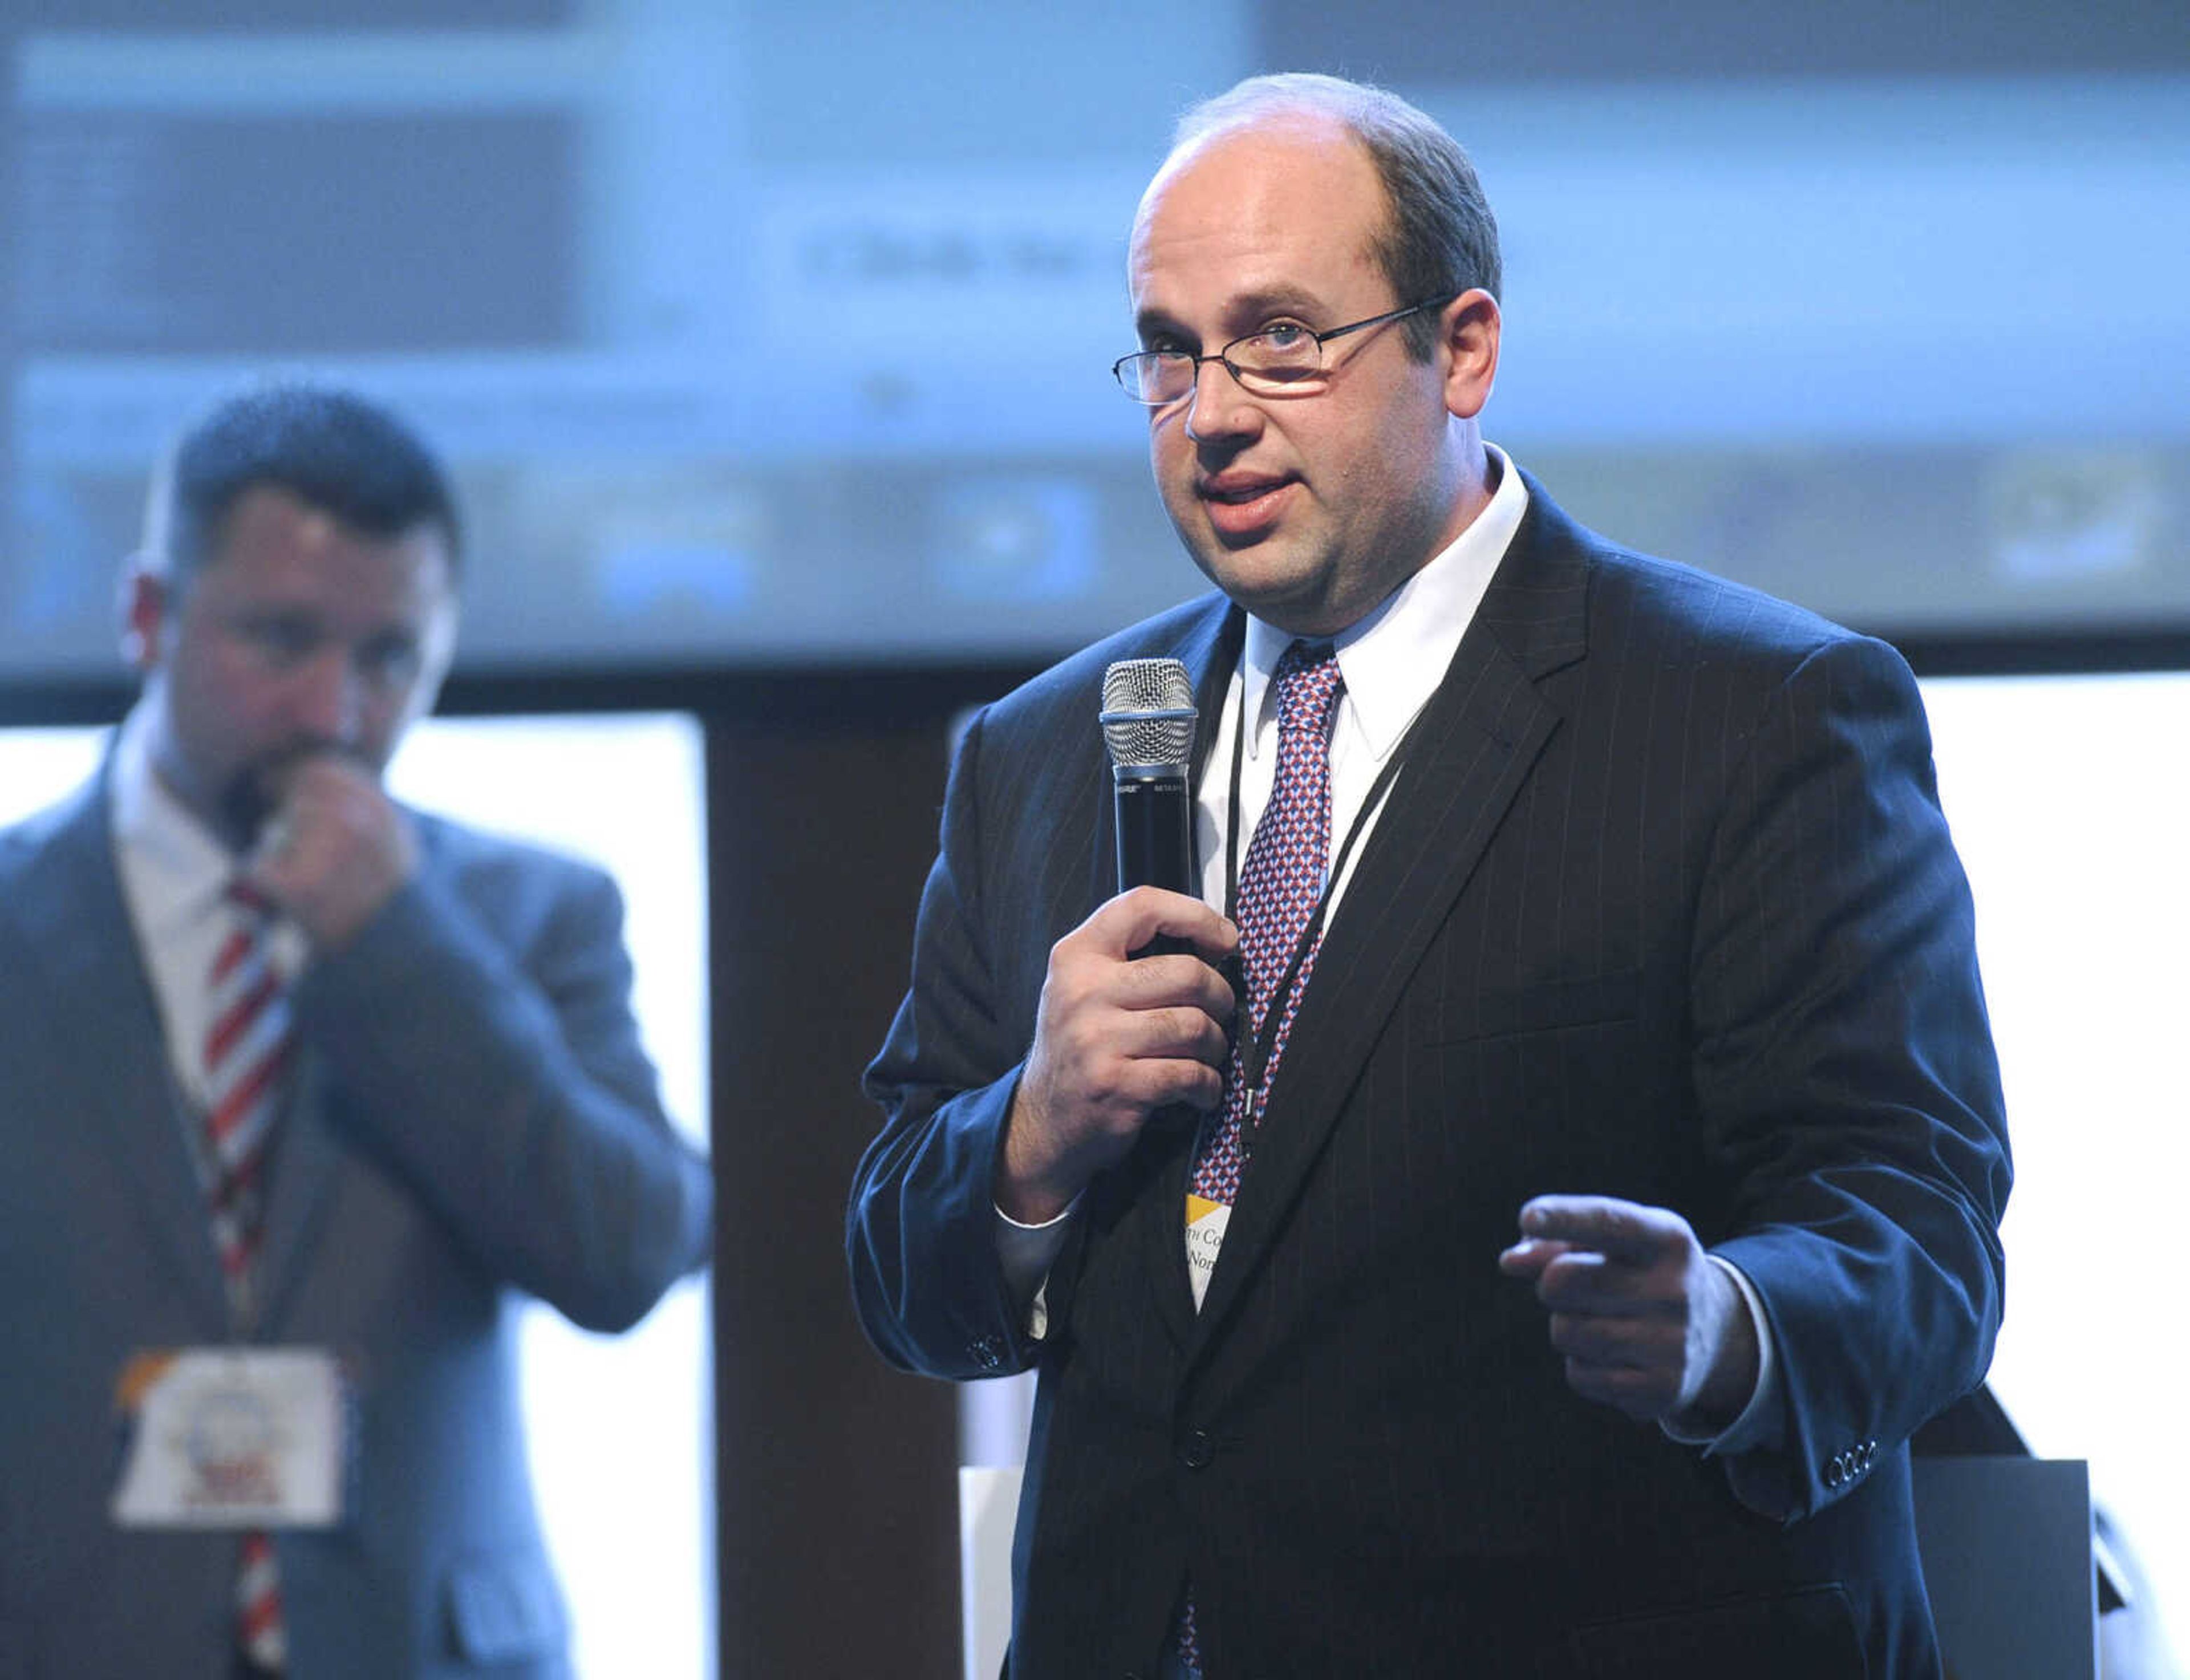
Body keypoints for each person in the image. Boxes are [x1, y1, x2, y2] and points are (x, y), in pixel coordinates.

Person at [846, 72, 2010, 1679]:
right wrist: (1031, 1130)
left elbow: (1917, 1230)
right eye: (1170, 351)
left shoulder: (1756, 714)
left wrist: (1723, 1327)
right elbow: (901, 1271)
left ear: (1461, 347)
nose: (1213, 415)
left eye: (1280, 338)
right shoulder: (1045, 751)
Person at [0, 383, 712, 1679]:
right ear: (148, 617)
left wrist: (399, 947)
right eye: (280, 640)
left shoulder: (529, 913)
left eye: (389, 657)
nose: (335, 713)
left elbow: (630, 1256)